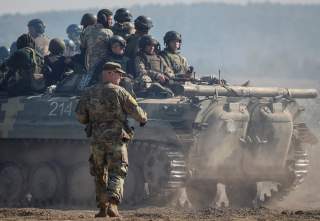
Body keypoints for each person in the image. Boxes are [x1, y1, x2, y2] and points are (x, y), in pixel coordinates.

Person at [75, 61, 147, 218]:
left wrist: (93, 119)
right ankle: (113, 204)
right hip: (116, 139)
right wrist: (143, 119)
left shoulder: (89, 92)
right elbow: (137, 112)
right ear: (109, 73)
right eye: (118, 74)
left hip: (96, 139)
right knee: (118, 171)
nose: (120, 77)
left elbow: (80, 116)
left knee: (100, 173)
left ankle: (102, 208)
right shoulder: (120, 92)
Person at [81, 9, 113, 73]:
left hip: (89, 66)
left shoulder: (87, 30)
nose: (111, 22)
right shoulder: (108, 32)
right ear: (104, 19)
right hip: (104, 66)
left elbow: (83, 47)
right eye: (110, 19)